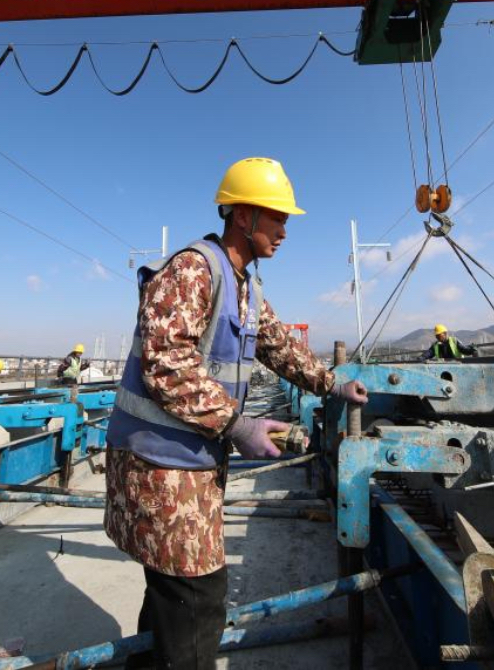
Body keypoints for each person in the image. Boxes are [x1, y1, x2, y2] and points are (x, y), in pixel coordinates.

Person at [104, 157, 370, 669]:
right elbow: (167, 365)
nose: (286, 231)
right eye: (278, 218)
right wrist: (239, 425)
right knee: (198, 598)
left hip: (189, 465)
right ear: (243, 216)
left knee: (172, 591)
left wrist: (334, 384)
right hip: (159, 467)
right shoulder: (192, 268)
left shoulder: (245, 285)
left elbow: (278, 346)